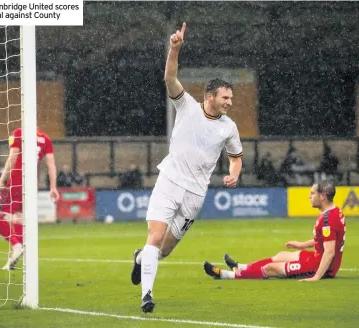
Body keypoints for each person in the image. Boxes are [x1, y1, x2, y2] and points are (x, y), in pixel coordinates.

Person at [131, 22, 243, 313]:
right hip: (169, 181)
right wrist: (174, 49)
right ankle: (147, 295)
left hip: (195, 195)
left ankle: (140, 259)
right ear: (210, 96)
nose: (230, 102)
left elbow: (235, 157)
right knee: (154, 237)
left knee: (163, 250)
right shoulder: (188, 107)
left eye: (231, 98)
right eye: (225, 97)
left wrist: (234, 173)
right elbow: (170, 78)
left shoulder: (229, 128)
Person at [204, 181, 345, 281]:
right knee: (280, 255)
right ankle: (240, 267)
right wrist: (301, 245)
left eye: (312, 193)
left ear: (323, 196)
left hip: (319, 266)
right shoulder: (334, 211)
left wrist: (316, 277)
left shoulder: (328, 219)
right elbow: (326, 240)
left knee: (271, 268)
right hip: (317, 258)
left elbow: (330, 251)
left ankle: (224, 274)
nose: (309, 196)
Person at [0, 128, 59, 270]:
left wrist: (2, 181)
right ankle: (12, 259)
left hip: (16, 180)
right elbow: (51, 164)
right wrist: (53, 187)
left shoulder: (20, 132)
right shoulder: (45, 138)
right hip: (32, 184)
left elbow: (13, 156)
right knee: (19, 218)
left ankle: (16, 245)